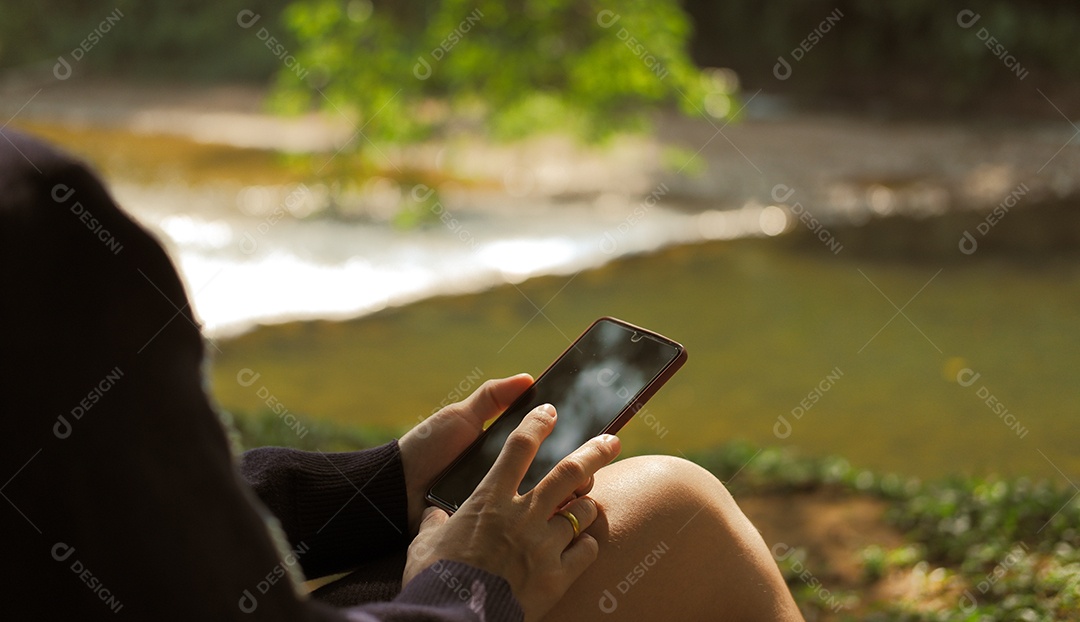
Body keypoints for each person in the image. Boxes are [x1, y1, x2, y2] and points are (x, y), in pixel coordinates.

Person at [0, 128, 802, 621]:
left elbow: (93, 518)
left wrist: (383, 485)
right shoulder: (34, 217)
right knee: (672, 507)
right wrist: (469, 588)